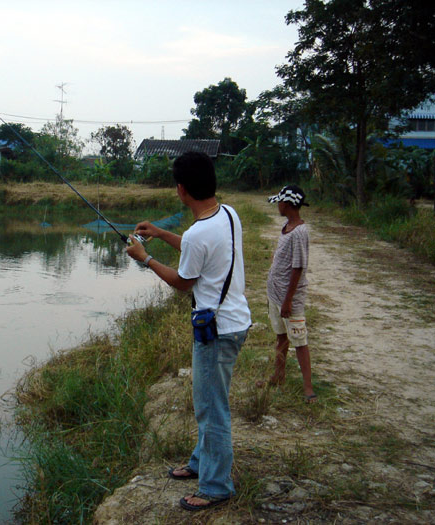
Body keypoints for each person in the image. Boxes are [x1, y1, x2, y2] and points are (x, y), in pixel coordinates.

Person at [126, 151, 252, 511]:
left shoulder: (200, 233)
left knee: (212, 409)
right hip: (235, 321)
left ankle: (215, 486)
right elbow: (199, 248)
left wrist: (145, 258)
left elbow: (183, 281)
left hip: (217, 331)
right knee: (210, 399)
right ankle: (200, 463)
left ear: (181, 189)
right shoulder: (228, 214)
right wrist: (161, 234)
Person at [261, 185, 316, 404]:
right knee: (281, 336)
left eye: (279, 203)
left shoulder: (300, 232)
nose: (277, 206)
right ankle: (278, 375)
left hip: (288, 298)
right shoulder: (286, 227)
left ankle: (308, 387)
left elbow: (298, 267)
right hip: (276, 294)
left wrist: (288, 299)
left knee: (299, 340)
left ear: (287, 204)